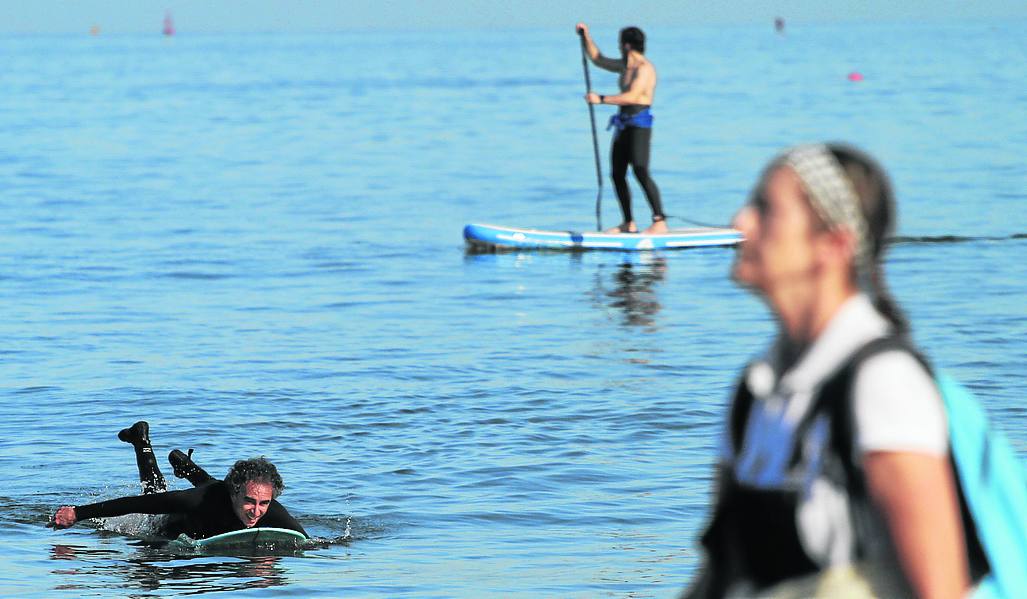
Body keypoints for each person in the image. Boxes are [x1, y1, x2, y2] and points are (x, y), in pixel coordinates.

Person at [685, 143, 981, 598]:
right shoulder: (756, 390)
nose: (739, 223)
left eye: (765, 209)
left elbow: (941, 590)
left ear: (834, 244)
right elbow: (718, 575)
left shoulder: (883, 384)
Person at [51, 421, 308, 539]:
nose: (256, 512)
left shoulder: (270, 509)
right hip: (175, 524)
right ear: (235, 492)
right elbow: (134, 506)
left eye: (263, 503)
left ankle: (187, 467)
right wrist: (77, 513)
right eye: (250, 502)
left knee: (211, 487)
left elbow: (305, 541)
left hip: (215, 492)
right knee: (154, 493)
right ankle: (141, 442)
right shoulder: (194, 501)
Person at [576, 23, 666, 235]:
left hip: (640, 125)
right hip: (623, 124)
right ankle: (628, 222)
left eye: (619, 43)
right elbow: (597, 59)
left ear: (626, 45)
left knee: (640, 169)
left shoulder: (644, 69)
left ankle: (659, 220)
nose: (618, 47)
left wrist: (601, 99)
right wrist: (586, 36)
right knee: (617, 174)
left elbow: (634, 96)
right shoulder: (625, 66)